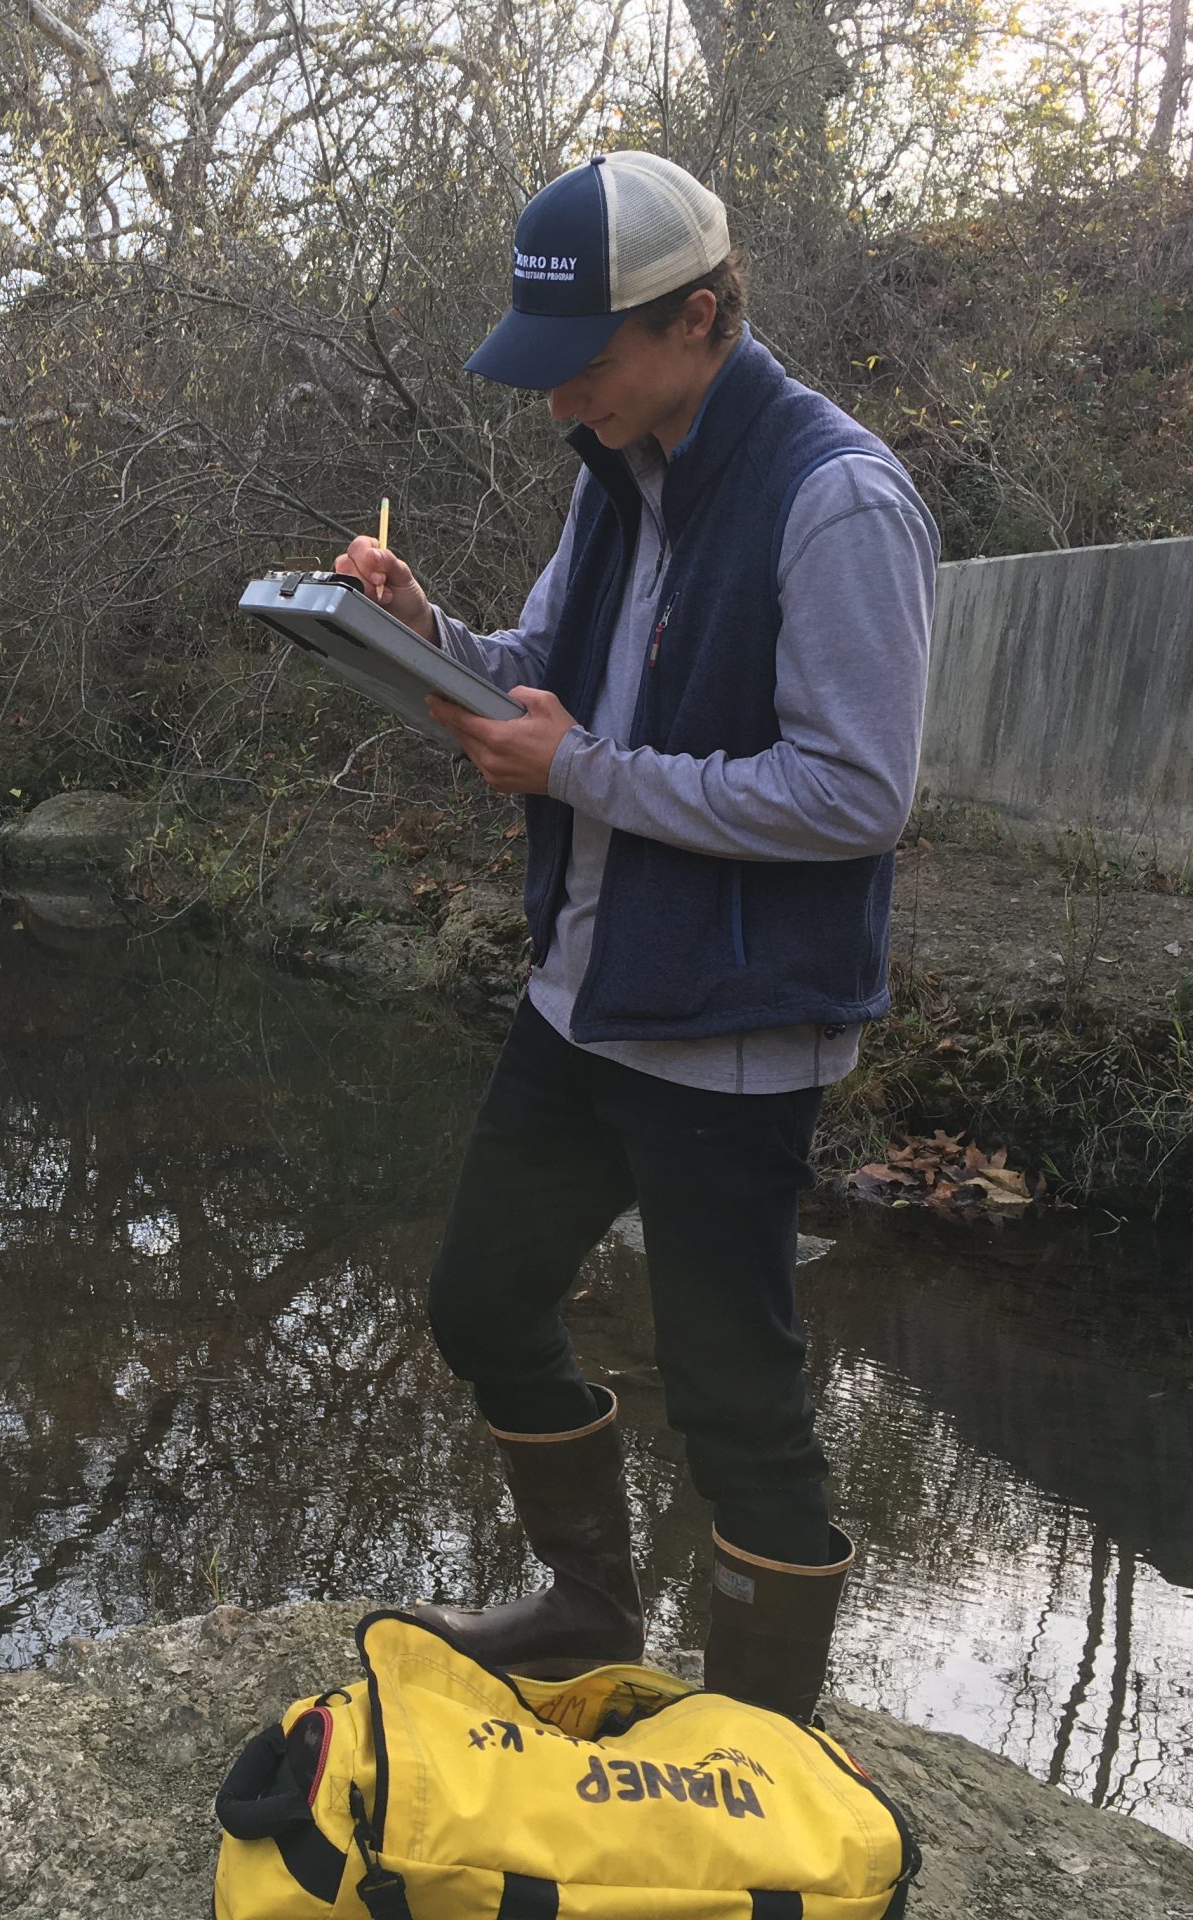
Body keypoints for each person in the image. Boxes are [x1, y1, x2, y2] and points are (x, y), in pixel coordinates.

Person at [334, 151, 936, 1723]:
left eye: (583, 365)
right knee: (481, 1298)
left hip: (734, 1026)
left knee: (739, 1402)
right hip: (585, 991)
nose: (557, 404)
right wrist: (426, 637)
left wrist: (581, 769)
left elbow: (856, 793)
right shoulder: (621, 470)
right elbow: (544, 664)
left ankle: (762, 1750)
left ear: (702, 317)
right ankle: (593, 1611)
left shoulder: (839, 495)